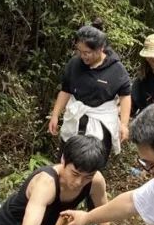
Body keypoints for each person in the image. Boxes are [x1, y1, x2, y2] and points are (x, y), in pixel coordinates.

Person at [48, 23, 132, 170]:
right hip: (76, 117)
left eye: (87, 52)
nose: (83, 56)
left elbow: (125, 96)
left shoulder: (116, 69)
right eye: (80, 51)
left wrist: (124, 124)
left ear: (100, 49)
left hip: (101, 120)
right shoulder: (75, 64)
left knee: (94, 162)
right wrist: (55, 115)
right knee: (67, 159)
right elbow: (65, 91)